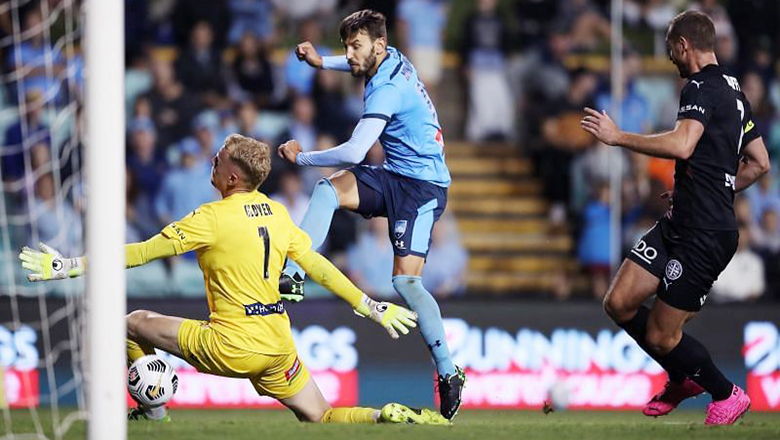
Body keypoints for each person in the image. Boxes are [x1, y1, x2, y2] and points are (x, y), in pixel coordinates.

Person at [19, 134, 447, 426]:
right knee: (324, 417)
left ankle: (152, 412)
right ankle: (384, 415)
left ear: (231, 178)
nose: (213, 161)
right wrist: (370, 306)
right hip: (277, 345)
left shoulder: (210, 218)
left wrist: (68, 265)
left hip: (231, 344)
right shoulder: (277, 213)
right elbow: (317, 266)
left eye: (218, 159)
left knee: (131, 322)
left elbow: (140, 253)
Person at [580, 11, 770, 425]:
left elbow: (684, 144)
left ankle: (726, 393)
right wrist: (714, 185)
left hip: (706, 233)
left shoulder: (699, 85)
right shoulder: (736, 93)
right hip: (681, 219)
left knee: (662, 336)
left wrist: (618, 137)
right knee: (619, 302)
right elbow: (759, 163)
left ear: (683, 45)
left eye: (671, 49)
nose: (670, 59)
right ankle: (682, 377)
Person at [277, 10, 464, 419]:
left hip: (423, 189)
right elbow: (356, 61)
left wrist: (301, 156)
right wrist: (322, 61)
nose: (350, 53)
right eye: (347, 45)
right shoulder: (388, 54)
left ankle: (449, 373)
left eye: (355, 45)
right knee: (329, 191)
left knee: (407, 282)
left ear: (377, 45)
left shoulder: (386, 90)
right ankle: (293, 274)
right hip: (396, 173)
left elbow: (354, 152)